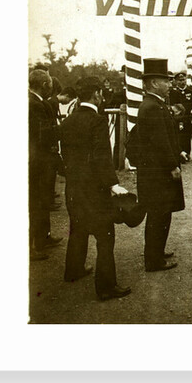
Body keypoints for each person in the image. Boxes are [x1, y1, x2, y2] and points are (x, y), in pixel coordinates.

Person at [60, 76, 132, 300]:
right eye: (101, 94)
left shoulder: (68, 120)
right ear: (97, 94)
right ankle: (106, 287)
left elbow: (62, 154)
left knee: (78, 229)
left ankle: (73, 271)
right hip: (94, 189)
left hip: (74, 186)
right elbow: (102, 157)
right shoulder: (98, 120)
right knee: (105, 236)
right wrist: (113, 184)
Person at [136, 58, 184, 272]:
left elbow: (167, 136)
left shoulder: (155, 105)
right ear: (154, 83)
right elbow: (160, 141)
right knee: (158, 214)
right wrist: (172, 164)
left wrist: (177, 154)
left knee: (162, 213)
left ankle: (156, 251)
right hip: (157, 172)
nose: (170, 84)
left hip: (156, 171)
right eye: (166, 81)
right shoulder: (152, 107)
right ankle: (153, 260)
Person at [28, 68, 63, 261]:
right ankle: (34, 245)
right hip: (39, 162)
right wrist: (62, 129)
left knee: (43, 200)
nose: (51, 86)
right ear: (44, 84)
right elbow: (44, 134)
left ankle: (44, 237)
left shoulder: (37, 102)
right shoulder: (34, 104)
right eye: (49, 83)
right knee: (37, 202)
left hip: (42, 161)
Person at [168, 72, 192, 162]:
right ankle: (180, 155)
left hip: (188, 117)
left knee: (187, 136)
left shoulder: (191, 91)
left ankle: (187, 154)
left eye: (183, 79)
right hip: (178, 118)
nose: (182, 82)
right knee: (179, 136)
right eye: (180, 80)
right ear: (176, 81)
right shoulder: (173, 92)